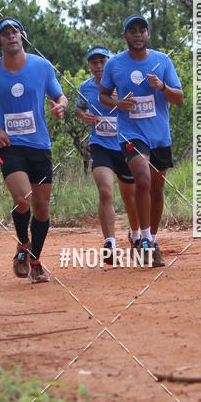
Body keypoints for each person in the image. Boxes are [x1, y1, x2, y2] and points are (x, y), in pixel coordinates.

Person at [0, 17, 68, 283]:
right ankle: (23, 243)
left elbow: (60, 96)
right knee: (23, 198)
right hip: (9, 145)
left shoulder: (42, 67)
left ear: (22, 36)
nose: (11, 36)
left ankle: (34, 258)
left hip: (39, 144)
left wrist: (60, 106)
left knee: (41, 208)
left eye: (15, 31)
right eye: (5, 34)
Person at [98, 15, 183, 267]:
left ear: (148, 35)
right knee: (142, 179)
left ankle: (152, 239)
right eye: (132, 31)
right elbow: (103, 95)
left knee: (156, 189)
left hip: (159, 137)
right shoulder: (114, 65)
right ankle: (144, 241)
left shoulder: (162, 61)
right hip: (130, 134)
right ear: (124, 35)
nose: (137, 34)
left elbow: (178, 98)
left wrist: (162, 87)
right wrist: (117, 103)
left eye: (141, 30)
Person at [76, 46, 140, 261]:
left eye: (102, 61)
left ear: (110, 62)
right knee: (105, 192)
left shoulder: (121, 83)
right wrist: (84, 116)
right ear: (89, 66)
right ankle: (110, 243)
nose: (99, 66)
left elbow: (136, 106)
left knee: (130, 197)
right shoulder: (85, 87)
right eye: (94, 62)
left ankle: (136, 234)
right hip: (100, 144)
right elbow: (80, 108)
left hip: (124, 145)